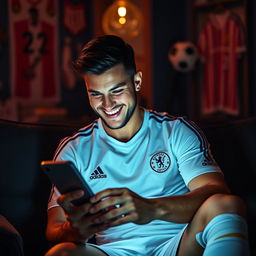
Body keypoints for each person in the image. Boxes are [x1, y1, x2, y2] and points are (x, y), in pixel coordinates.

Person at [45, 35, 249, 256]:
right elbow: (54, 229)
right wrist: (73, 230)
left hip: (178, 247)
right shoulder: (74, 149)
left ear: (137, 81)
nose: (107, 105)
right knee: (62, 252)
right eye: (96, 94)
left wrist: (152, 209)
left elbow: (215, 190)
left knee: (226, 205)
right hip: (113, 252)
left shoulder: (176, 131)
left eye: (116, 90)